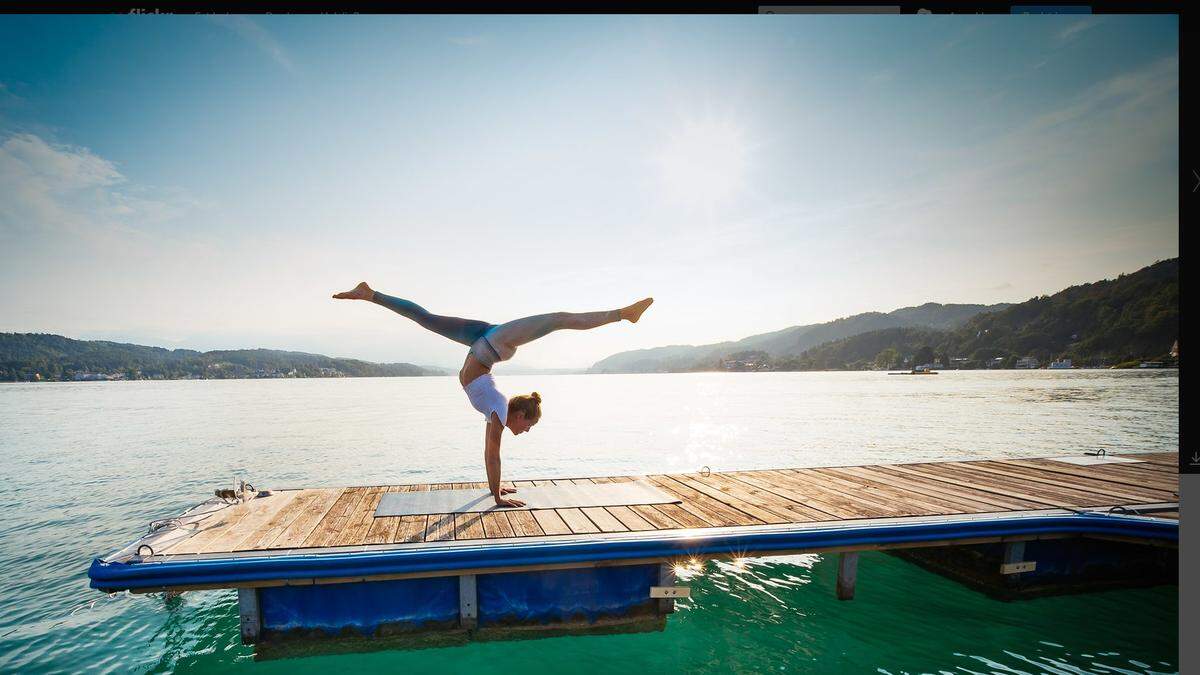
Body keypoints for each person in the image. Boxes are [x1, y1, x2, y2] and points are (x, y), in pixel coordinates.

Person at [332, 282, 653, 507]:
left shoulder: (496, 412)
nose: (525, 431)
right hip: (494, 342)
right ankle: (624, 313)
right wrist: (498, 497)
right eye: (528, 426)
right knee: (556, 320)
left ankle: (370, 294)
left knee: (426, 319)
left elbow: (489, 455)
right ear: (520, 414)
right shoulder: (499, 411)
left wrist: (496, 487)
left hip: (483, 342)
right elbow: (492, 455)